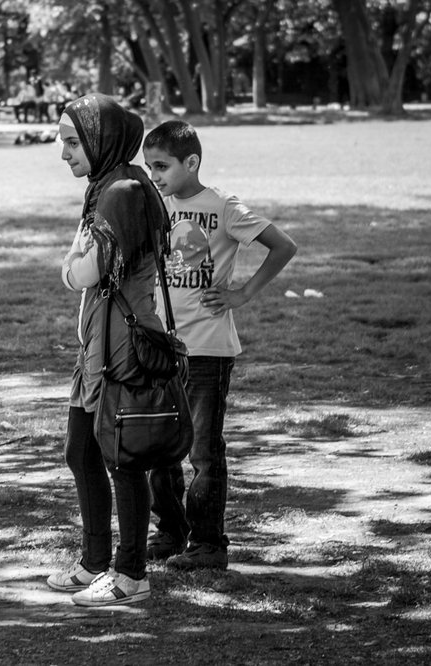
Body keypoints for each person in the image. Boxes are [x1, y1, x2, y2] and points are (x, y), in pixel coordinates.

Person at [142, 120, 297, 570]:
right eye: (149, 166)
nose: (155, 175)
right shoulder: (154, 204)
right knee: (157, 445)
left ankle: (208, 545)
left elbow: (283, 246)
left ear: (191, 162)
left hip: (208, 348)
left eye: (163, 166)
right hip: (159, 346)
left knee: (203, 451)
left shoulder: (224, 206)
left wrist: (242, 294)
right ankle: (170, 533)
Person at [46, 94, 171, 606]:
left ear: (101, 142)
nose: (63, 153)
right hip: (97, 347)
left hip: (120, 350)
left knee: (123, 461)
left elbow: (81, 273)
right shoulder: (110, 186)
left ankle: (131, 575)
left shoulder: (121, 192)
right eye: (63, 141)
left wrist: (70, 260)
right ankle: (95, 561)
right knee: (81, 450)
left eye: (73, 142)